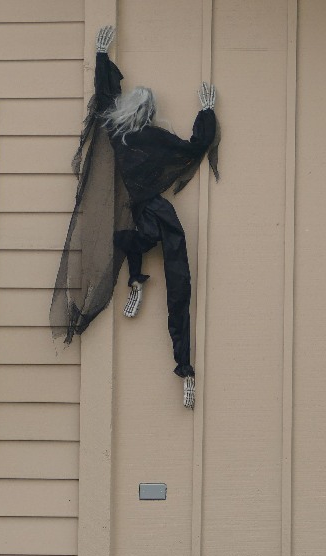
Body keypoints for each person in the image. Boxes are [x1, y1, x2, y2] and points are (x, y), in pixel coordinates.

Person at [50, 24, 219, 409]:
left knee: (168, 269)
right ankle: (140, 287)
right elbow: (192, 145)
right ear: (142, 110)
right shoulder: (131, 132)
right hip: (141, 211)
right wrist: (100, 57)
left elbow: (189, 145)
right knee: (150, 254)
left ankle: (181, 360)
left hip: (144, 214)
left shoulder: (132, 133)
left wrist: (101, 56)